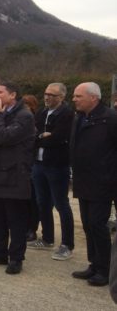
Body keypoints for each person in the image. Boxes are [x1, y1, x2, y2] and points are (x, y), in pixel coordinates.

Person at [0, 81, 35, 275]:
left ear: (13, 95)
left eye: (0, 92)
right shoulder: (0, 114)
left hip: (14, 176)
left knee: (16, 221)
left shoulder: (24, 116)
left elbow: (5, 137)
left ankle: (16, 258)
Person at [69, 82, 117, 287]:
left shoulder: (110, 119)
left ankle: (105, 270)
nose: (74, 99)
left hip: (103, 182)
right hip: (83, 180)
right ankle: (94, 264)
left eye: (78, 96)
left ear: (93, 98)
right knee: (88, 224)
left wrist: (110, 174)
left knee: (98, 225)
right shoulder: (80, 117)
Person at [28, 82, 75, 260]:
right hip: (38, 164)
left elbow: (59, 138)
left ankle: (67, 244)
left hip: (57, 166)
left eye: (52, 95)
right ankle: (47, 238)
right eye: (46, 94)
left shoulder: (67, 114)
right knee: (42, 202)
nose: (47, 97)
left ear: (61, 97)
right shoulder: (41, 113)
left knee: (61, 204)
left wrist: (43, 137)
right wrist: (43, 136)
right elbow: (33, 135)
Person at [22, 94, 41, 242]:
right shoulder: (19, 120)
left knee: (33, 200)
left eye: (27, 105)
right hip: (21, 164)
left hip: (32, 163)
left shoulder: (36, 121)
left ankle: (32, 228)